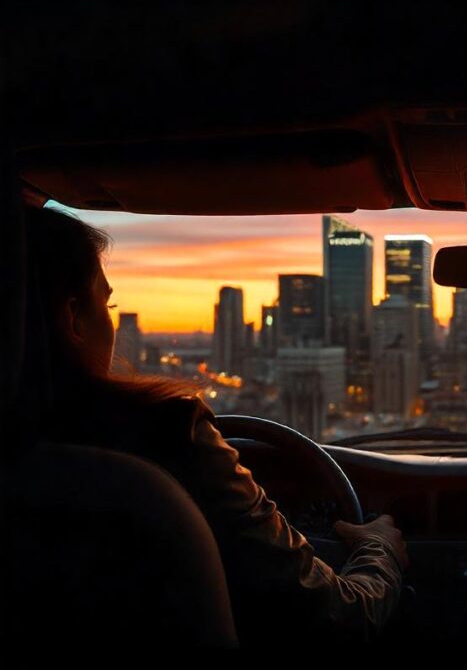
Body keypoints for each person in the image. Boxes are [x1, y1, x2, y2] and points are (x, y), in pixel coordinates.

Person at [19, 204, 409, 646]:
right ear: (72, 317)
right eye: (106, 303)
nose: (111, 322)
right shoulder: (167, 430)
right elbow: (334, 617)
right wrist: (380, 550)